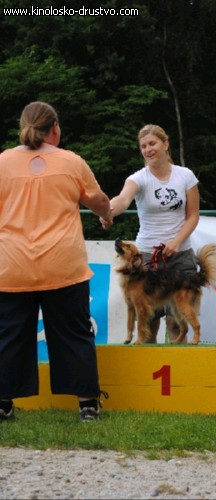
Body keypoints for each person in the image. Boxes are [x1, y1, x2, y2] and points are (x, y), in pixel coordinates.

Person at [0, 101, 113, 422]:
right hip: (63, 265)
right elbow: (99, 200)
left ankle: (3, 403)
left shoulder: (2, 162)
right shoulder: (71, 162)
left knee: (8, 336)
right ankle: (88, 405)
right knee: (74, 334)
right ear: (55, 129)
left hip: (12, 266)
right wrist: (105, 216)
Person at [100, 124, 200, 343]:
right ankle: (148, 374)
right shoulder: (138, 178)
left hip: (180, 256)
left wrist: (176, 242)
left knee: (177, 320)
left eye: (152, 144)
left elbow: (193, 216)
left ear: (166, 144)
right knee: (148, 320)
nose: (148, 149)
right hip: (147, 258)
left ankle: (179, 372)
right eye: (143, 146)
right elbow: (122, 199)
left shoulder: (186, 176)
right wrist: (107, 210)